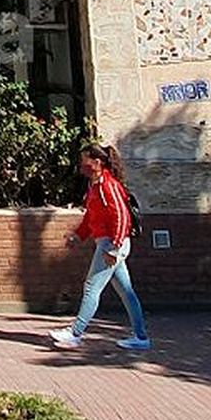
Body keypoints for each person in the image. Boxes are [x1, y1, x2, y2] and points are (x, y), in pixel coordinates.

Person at [50, 144, 151, 351]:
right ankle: (141, 337)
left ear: (97, 162)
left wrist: (114, 247)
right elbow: (91, 217)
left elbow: (121, 216)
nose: (81, 164)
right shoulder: (95, 186)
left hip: (111, 244)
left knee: (91, 287)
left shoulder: (108, 185)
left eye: (85, 160)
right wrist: (79, 236)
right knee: (126, 292)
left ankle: (75, 333)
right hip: (108, 242)